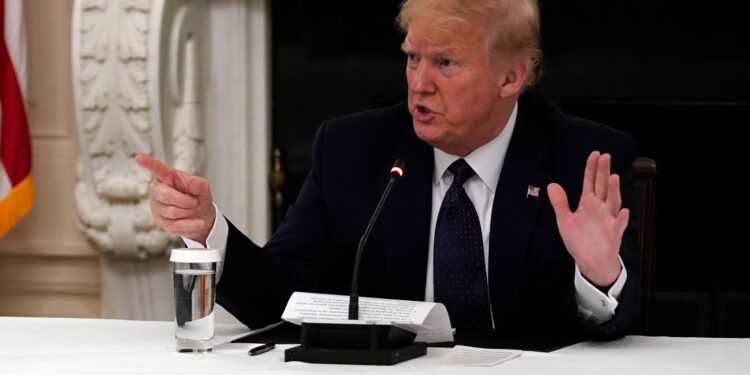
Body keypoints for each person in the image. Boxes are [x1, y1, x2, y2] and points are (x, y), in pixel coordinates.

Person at [136, 0, 639, 344]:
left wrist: (599, 275)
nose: (419, 84)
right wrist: (208, 230)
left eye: (445, 63)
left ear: (511, 77)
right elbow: (280, 298)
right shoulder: (353, 149)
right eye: (412, 58)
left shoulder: (584, 159)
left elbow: (624, 324)